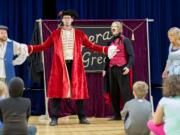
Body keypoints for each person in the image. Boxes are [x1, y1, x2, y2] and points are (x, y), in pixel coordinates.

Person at [28, 10, 117, 126]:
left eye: (69, 18)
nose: (66, 20)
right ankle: (54, 117)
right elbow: (44, 46)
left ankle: (82, 117)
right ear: (62, 20)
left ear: (72, 20)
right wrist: (29, 48)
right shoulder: (55, 33)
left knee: (78, 92)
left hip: (76, 66)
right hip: (60, 67)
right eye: (64, 18)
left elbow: (92, 46)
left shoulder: (79, 34)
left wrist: (105, 49)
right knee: (56, 93)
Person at [103, 21, 134, 120]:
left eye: (115, 26)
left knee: (125, 93)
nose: (113, 28)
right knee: (113, 92)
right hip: (112, 69)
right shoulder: (110, 41)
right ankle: (117, 115)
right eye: (112, 26)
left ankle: (129, 115)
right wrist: (105, 69)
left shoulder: (126, 40)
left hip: (122, 68)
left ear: (120, 28)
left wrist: (128, 67)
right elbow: (107, 57)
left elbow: (131, 55)